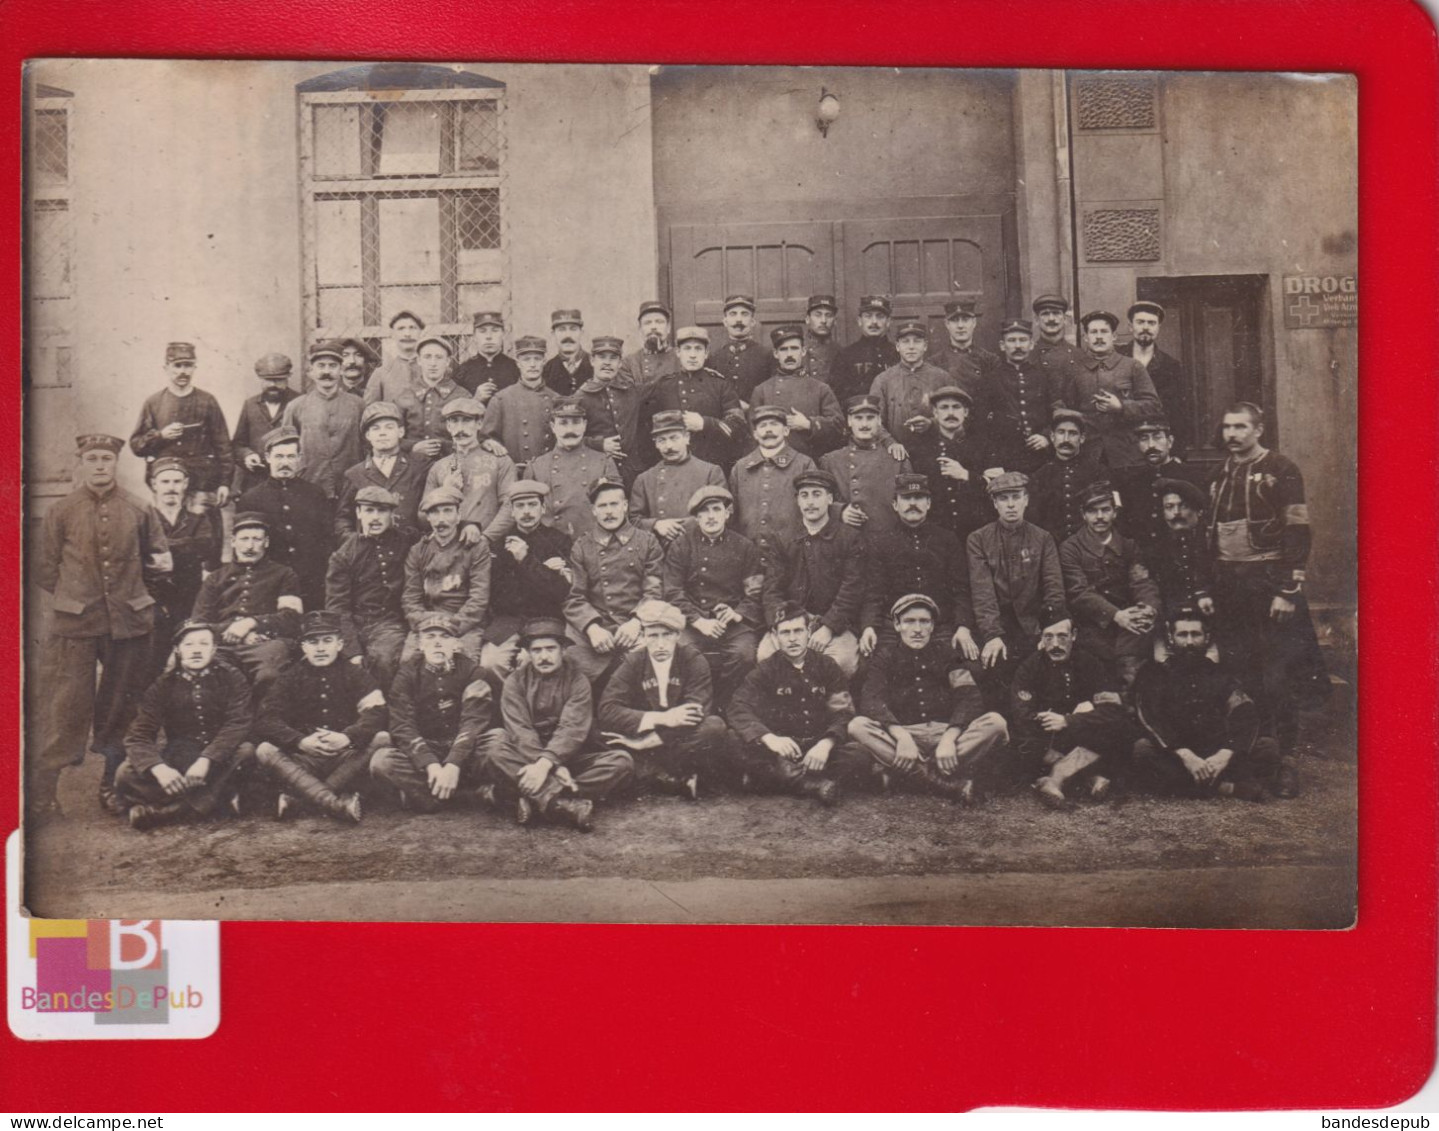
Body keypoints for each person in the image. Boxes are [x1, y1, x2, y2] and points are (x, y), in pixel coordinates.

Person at [33, 434, 171, 816]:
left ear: (115, 464)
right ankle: (44, 792)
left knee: (121, 706)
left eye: (106, 459)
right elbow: (45, 569)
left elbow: (159, 564)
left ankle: (112, 785)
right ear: (80, 462)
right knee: (65, 705)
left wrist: (132, 595)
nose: (99, 465)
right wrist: (75, 597)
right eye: (92, 458)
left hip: (129, 622)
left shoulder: (140, 508)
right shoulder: (61, 510)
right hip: (76, 624)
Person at [1207, 402, 1327, 798]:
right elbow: (1211, 542)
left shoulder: (1281, 469)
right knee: (1240, 675)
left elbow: (1297, 530)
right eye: (1227, 427)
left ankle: (1286, 762)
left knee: (1278, 678)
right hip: (1230, 591)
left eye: (1241, 427)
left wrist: (1287, 590)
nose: (1232, 434)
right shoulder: (1217, 474)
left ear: (1258, 430)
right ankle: (1252, 759)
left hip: (1270, 588)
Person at [848, 594, 1009, 804]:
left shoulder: (948, 655)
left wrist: (949, 739)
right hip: (906, 738)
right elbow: (871, 699)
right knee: (857, 726)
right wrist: (902, 737)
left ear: (932, 626)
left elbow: (969, 697)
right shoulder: (885, 657)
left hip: (946, 735)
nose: (917, 629)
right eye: (909, 621)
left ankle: (907, 776)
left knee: (996, 723)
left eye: (924, 622)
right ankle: (943, 782)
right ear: (897, 625)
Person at [485, 618, 635, 831]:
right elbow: (521, 730)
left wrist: (549, 764)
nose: (544, 656)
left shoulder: (578, 680)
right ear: (528, 653)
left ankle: (524, 796)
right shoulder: (515, 681)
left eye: (550, 649)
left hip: (569, 754)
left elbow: (572, 728)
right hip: (527, 755)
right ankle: (561, 804)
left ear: (563, 650)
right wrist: (548, 766)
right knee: (494, 748)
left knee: (622, 762)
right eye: (536, 650)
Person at [115, 621, 252, 830]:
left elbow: (238, 723)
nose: (197, 650)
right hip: (181, 757)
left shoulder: (231, 677)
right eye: (189, 645)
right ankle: (217, 800)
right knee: (125, 773)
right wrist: (160, 769)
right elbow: (138, 736)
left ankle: (169, 812)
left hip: (221, 758)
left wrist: (207, 759)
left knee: (247, 751)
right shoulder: (163, 685)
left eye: (204, 644)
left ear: (214, 649)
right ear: (177, 650)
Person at [726, 602, 867, 806]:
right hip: (781, 750)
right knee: (732, 740)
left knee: (859, 755)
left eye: (798, 631)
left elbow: (843, 712)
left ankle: (775, 779)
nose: (792, 639)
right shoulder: (766, 670)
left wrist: (825, 744)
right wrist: (771, 739)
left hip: (816, 748)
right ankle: (811, 784)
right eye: (785, 633)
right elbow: (737, 706)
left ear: (808, 632)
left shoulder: (827, 666)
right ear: (775, 636)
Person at [1131, 608, 1277, 802]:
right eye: (1182, 635)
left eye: (1196, 634)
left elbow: (1244, 711)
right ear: (1171, 638)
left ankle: (1192, 785)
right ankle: (1226, 787)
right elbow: (1150, 717)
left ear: (1207, 638)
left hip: (1216, 753)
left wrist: (1224, 754)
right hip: (1177, 755)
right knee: (1143, 750)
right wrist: (1186, 755)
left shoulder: (1222, 673)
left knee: (1267, 748)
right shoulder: (1154, 674)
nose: (1189, 642)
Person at [252, 610, 384, 824]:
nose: (320, 648)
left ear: (340, 644)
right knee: (264, 750)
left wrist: (348, 737)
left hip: (345, 757)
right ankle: (334, 803)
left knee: (383, 738)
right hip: (304, 759)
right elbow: (266, 719)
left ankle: (303, 801)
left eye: (327, 640)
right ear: (304, 646)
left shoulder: (356, 674)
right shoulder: (289, 677)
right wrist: (299, 741)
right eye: (313, 642)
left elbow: (376, 713)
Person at [597, 599, 732, 800]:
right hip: (643, 733)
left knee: (713, 727)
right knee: (598, 734)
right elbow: (607, 709)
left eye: (667, 635)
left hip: (672, 741)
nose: (660, 644)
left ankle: (654, 775)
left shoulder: (692, 659)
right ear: (643, 636)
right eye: (653, 636)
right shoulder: (634, 660)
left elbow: (695, 713)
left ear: (678, 635)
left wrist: (645, 743)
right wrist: (662, 718)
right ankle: (667, 778)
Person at [369, 613, 503, 813]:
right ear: (420, 644)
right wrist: (430, 763)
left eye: (445, 637)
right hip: (427, 747)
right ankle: (469, 797)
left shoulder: (473, 672)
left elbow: (473, 722)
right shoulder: (407, 674)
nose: (437, 643)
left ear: (456, 644)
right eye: (430, 637)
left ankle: (427, 796)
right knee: (382, 762)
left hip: (464, 750)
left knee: (498, 741)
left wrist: (453, 764)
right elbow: (402, 725)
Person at [966, 471, 1069, 702]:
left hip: (1033, 626)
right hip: (996, 626)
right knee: (990, 669)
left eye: (1016, 497)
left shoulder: (1042, 538)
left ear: (1026, 499)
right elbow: (982, 592)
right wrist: (992, 634)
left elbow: (1054, 588)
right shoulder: (978, 539)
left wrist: (1049, 631)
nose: (1011, 505)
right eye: (1003, 499)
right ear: (994, 503)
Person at [1010, 618, 1132, 809]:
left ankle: (1056, 778)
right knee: (1021, 741)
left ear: (1073, 636)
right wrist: (1050, 720)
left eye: (1062, 637)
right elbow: (1021, 714)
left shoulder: (1090, 664)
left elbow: (1112, 710)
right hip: (1046, 740)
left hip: (1079, 734)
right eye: (1048, 637)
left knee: (1120, 727)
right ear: (1041, 637)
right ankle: (1089, 777)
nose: (1055, 644)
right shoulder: (1029, 667)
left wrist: (1070, 720)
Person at [859, 472, 977, 661]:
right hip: (894, 626)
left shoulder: (946, 539)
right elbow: (874, 591)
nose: (913, 503)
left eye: (919, 497)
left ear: (929, 503)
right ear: (895, 504)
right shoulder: (880, 542)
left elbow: (961, 590)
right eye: (906, 498)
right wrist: (869, 627)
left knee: (967, 666)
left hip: (939, 625)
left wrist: (963, 626)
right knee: (870, 665)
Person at [663, 485, 766, 699]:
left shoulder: (744, 547)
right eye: (705, 511)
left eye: (717, 509)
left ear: (727, 514)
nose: (711, 516)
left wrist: (737, 613)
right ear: (697, 517)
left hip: (733, 622)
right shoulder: (681, 546)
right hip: (693, 620)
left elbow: (755, 592)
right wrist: (698, 620)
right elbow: (672, 591)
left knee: (744, 654)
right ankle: (697, 703)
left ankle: (727, 703)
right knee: (682, 652)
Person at [760, 469, 865, 677]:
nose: (810, 502)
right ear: (797, 501)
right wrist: (783, 624)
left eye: (817, 494)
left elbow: (852, 590)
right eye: (804, 495)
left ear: (830, 499)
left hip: (835, 626)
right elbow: (772, 590)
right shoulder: (782, 539)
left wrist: (828, 627)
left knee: (840, 663)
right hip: (790, 622)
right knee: (766, 657)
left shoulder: (849, 538)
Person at [563, 477, 665, 683]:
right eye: (602, 505)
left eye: (614, 504)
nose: (609, 511)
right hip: (598, 626)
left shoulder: (647, 542)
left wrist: (637, 622)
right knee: (573, 665)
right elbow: (575, 597)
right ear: (593, 510)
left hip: (639, 624)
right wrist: (592, 629)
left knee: (654, 666)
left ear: (625, 506)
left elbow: (654, 591)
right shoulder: (582, 546)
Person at [1060, 482, 1160, 689]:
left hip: (1128, 620)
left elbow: (1141, 581)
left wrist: (1148, 607)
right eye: (1093, 511)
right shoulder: (1070, 548)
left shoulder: (1128, 545)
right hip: (1091, 623)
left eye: (1105, 510)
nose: (1099, 517)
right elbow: (1079, 592)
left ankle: (1135, 709)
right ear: (1083, 515)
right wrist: (1116, 615)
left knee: (1133, 667)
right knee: (1098, 671)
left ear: (1115, 512)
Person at [190, 512, 302, 692]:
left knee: (270, 675)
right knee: (209, 677)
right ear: (233, 541)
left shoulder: (284, 574)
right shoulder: (215, 578)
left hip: (267, 643)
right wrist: (237, 631)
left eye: (257, 539)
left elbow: (291, 618)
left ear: (266, 542)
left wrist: (252, 623)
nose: (250, 546)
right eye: (244, 539)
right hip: (222, 645)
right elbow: (198, 623)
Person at [235, 426, 335, 613]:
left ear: (299, 459)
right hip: (271, 584)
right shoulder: (251, 498)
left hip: (312, 581)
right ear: (268, 457)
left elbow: (328, 539)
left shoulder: (315, 494)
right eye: (279, 456)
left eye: (290, 457)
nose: (285, 462)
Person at [325, 485, 416, 690]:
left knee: (383, 660)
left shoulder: (406, 540)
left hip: (389, 622)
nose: (375, 518)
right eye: (368, 510)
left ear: (392, 514)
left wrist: (467, 524)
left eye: (382, 511)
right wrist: (352, 649)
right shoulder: (344, 555)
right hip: (355, 625)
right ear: (358, 513)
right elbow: (337, 607)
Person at [128, 341, 234, 514]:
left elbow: (224, 446)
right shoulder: (154, 403)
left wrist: (224, 483)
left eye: (188, 366)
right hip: (167, 488)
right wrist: (160, 436)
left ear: (194, 368)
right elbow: (136, 445)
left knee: (203, 534)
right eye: (177, 366)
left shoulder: (207, 401)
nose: (183, 371)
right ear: (166, 368)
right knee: (168, 534)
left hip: (202, 485)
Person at [143, 457, 221, 681]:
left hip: (189, 598)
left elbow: (205, 547)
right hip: (153, 599)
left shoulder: (198, 520)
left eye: (177, 481)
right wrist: (185, 546)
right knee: (152, 662)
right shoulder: (143, 519)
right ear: (154, 484)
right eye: (165, 481)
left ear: (186, 484)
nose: (171, 488)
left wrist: (161, 549)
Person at [486, 480, 575, 671]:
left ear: (543, 508)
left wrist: (525, 560)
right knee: (490, 662)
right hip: (508, 621)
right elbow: (498, 598)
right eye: (520, 506)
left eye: (532, 505)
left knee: (531, 662)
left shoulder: (559, 542)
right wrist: (544, 572)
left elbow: (561, 592)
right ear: (511, 511)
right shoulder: (499, 545)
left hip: (546, 619)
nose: (526, 511)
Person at [636, 325, 746, 469]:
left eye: (698, 349)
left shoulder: (720, 385)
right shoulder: (663, 386)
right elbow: (645, 429)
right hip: (671, 467)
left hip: (712, 466)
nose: (692, 355)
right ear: (678, 352)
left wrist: (705, 424)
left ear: (706, 353)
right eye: (687, 348)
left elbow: (737, 425)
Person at [402, 486, 491, 663]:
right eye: (434, 513)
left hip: (464, 624)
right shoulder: (418, 550)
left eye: (448, 511)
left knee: (463, 663)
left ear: (459, 515)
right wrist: (426, 623)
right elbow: (410, 599)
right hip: (428, 622)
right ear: (428, 518)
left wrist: (453, 626)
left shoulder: (476, 547)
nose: (441, 520)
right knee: (409, 662)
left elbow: (479, 598)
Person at [1063, 310, 1162, 469]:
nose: (1099, 337)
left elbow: (1153, 406)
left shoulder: (1132, 366)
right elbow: (1066, 408)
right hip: (1087, 453)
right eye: (1094, 332)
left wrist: (1121, 407)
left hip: (1127, 453)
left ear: (1114, 336)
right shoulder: (1074, 370)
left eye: (1104, 331)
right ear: (1086, 337)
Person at [421, 396, 518, 544]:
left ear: (479, 423)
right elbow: (422, 516)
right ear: (448, 426)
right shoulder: (439, 467)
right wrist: (445, 492)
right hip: (448, 546)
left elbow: (510, 505)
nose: (460, 429)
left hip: (488, 545)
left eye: (466, 421)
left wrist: (486, 538)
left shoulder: (500, 461)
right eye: (454, 421)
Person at [818, 394, 912, 545]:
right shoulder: (831, 461)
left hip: (888, 543)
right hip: (847, 544)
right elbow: (819, 500)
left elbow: (911, 501)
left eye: (870, 418)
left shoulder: (896, 459)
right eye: (858, 418)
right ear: (849, 421)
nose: (864, 424)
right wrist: (839, 511)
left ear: (879, 421)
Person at [728, 404, 818, 559]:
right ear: (755, 434)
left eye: (774, 425)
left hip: (793, 557)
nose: (768, 430)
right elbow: (731, 515)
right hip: (749, 557)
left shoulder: (804, 464)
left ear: (786, 431)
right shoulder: (740, 468)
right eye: (763, 426)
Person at [335, 400, 430, 542]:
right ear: (368, 435)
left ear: (401, 432)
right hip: (370, 556)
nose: (382, 433)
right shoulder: (354, 474)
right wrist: (357, 543)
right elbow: (343, 520)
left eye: (389, 427)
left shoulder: (419, 467)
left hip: (411, 551)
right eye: (376, 428)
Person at [905, 385, 990, 541]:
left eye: (956, 407)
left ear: (965, 412)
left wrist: (966, 475)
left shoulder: (983, 445)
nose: (950, 413)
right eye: (944, 408)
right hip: (937, 534)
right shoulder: (920, 448)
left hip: (977, 532)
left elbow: (996, 488)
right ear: (935, 413)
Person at [281, 340, 364, 500]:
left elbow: (367, 447)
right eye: (321, 366)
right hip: (310, 486)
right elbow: (287, 449)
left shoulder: (357, 404)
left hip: (349, 487)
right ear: (311, 371)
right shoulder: (296, 406)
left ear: (341, 370)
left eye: (333, 366)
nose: (327, 371)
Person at [1115, 415, 1208, 557]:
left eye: (1157, 437)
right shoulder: (1131, 483)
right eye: (1144, 439)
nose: (1151, 445)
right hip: (1144, 560)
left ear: (1170, 442)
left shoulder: (1192, 476)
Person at [627, 410, 725, 545]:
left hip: (700, 548)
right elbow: (633, 520)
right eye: (662, 440)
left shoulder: (710, 472)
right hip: (661, 552)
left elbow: (725, 512)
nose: (669, 446)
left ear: (687, 437)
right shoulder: (644, 479)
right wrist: (656, 525)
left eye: (674, 438)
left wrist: (683, 526)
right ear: (655, 444)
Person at [528, 399, 621, 540]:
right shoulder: (536, 467)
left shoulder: (604, 462)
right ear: (553, 427)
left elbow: (617, 511)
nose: (570, 430)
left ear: (585, 425)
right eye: (563, 423)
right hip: (552, 548)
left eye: (576, 422)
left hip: (595, 544)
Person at [979, 318, 1062, 475]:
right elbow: (979, 424)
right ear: (1002, 346)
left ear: (1031, 344)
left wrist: (1046, 436)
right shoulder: (990, 379)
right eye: (1011, 341)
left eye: (1023, 340)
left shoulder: (1044, 377)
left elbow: (1058, 413)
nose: (1018, 346)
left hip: (1041, 457)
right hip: (1003, 459)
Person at [747, 325, 844, 458]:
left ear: (803, 351)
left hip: (810, 461)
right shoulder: (762, 390)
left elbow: (838, 427)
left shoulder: (821, 388)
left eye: (794, 348)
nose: (789, 355)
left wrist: (809, 424)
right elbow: (753, 435)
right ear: (776, 354)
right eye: (783, 349)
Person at [1120, 301, 1191, 452]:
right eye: (1140, 322)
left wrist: (1178, 453)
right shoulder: (1117, 358)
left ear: (1158, 328)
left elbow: (1179, 413)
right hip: (1121, 444)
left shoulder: (1171, 366)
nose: (1146, 327)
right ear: (1130, 326)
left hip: (1155, 447)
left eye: (1152, 323)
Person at [477, 335, 559, 467]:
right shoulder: (501, 399)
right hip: (514, 471)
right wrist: (489, 443)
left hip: (547, 471)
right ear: (518, 363)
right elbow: (485, 437)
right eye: (526, 359)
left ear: (544, 361)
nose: (532, 364)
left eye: (537, 359)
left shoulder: (555, 399)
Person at [1027, 408, 1106, 543]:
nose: (1066, 439)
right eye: (1061, 433)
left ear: (1082, 438)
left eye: (1073, 434)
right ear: (1052, 437)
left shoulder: (1098, 472)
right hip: (1053, 548)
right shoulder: (1040, 476)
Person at [576, 335, 644, 487]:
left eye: (613, 358)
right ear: (592, 361)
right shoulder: (581, 397)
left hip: (632, 472)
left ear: (620, 363)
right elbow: (567, 438)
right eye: (601, 357)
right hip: (597, 472)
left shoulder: (632, 391)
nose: (607, 363)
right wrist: (599, 444)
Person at [232, 352, 300, 496]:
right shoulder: (250, 405)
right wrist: (247, 456)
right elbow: (238, 444)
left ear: (288, 378)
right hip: (256, 483)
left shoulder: (299, 403)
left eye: (278, 380)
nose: (272, 385)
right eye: (268, 380)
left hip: (291, 481)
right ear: (260, 379)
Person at [869, 320, 949, 442]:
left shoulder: (942, 378)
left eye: (917, 341)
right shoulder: (882, 380)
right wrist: (890, 443)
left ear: (925, 346)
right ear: (897, 346)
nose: (911, 346)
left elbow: (956, 416)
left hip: (934, 449)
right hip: (895, 453)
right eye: (905, 341)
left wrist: (932, 424)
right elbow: (874, 420)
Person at [1150, 478, 1215, 619]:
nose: (1176, 512)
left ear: (1199, 511)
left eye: (1183, 506)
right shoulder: (1156, 546)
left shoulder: (1213, 541)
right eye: (1169, 507)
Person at [392, 335, 464, 461]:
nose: (433, 363)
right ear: (419, 360)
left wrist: (445, 446)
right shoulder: (405, 396)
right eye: (427, 357)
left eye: (439, 357)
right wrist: (413, 447)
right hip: (412, 465)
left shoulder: (461, 396)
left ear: (448, 361)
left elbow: (471, 437)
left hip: (451, 462)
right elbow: (391, 435)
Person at [830, 294, 899, 404]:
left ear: (888, 322)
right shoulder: (846, 356)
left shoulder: (898, 354)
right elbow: (837, 397)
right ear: (859, 321)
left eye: (880, 316)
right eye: (868, 316)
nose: (874, 322)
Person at [705, 293, 772, 404]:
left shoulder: (767, 355)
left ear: (752, 322)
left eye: (744, 314)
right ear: (725, 322)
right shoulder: (713, 357)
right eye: (733, 314)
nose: (739, 320)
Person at [928, 299, 997, 399]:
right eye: (955, 320)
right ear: (947, 324)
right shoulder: (934, 362)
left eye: (965, 320)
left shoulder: (990, 361)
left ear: (974, 322)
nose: (960, 326)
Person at [451, 311, 521, 401]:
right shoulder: (463, 371)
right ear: (474, 336)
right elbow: (455, 407)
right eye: (482, 331)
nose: (489, 336)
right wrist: (475, 399)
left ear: (503, 335)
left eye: (495, 331)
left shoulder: (515, 369)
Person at [618, 300, 681, 391]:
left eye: (659, 322)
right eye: (648, 323)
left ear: (668, 328)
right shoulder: (629, 364)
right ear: (640, 329)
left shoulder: (681, 358)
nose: (653, 327)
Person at [364, 310, 425, 405]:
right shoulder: (381, 374)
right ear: (393, 334)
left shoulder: (433, 369)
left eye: (413, 328)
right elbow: (370, 412)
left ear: (421, 333)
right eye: (401, 329)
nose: (407, 334)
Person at [1029, 293, 1086, 384]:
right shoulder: (1029, 356)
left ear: (1065, 319)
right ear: (1036, 320)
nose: (1051, 319)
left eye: (1056, 313)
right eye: (1045, 314)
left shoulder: (1079, 355)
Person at [541, 308, 593, 397]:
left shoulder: (595, 366)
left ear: (582, 333)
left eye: (573, 329)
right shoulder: (546, 370)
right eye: (562, 329)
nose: (568, 335)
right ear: (553, 334)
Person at [801, 294, 841, 384]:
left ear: (835, 321)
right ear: (807, 319)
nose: (823, 320)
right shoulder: (796, 348)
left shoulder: (840, 352)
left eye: (828, 315)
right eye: (818, 315)